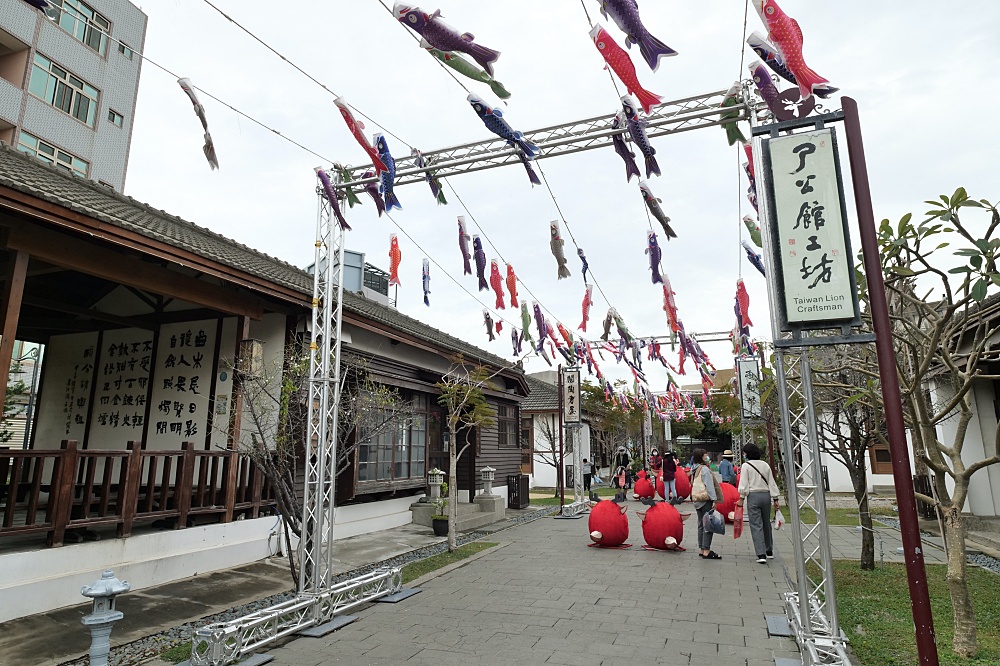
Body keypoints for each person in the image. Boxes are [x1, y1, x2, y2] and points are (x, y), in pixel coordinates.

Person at [737, 443, 781, 564]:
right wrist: (775, 499)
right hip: (766, 495)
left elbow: (744, 484)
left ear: (747, 453)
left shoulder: (746, 466)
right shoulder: (765, 465)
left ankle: (761, 553)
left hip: (753, 495)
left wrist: (741, 498)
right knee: (766, 523)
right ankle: (769, 550)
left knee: (756, 524)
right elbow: (771, 482)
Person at [690, 447, 723, 559]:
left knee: (701, 525)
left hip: (697, 500)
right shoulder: (704, 469)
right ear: (701, 457)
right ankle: (707, 550)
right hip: (705, 500)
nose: (707, 457)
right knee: (708, 524)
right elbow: (709, 486)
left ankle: (702, 548)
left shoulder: (694, 468)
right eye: (705, 455)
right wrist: (714, 499)